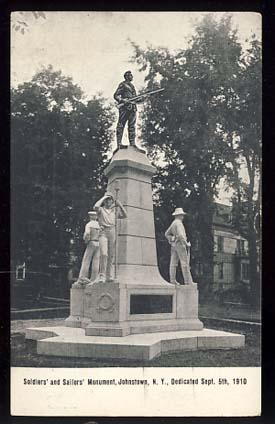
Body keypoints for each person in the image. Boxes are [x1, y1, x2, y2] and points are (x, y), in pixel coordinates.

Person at [94, 191, 127, 282]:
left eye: (110, 200)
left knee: (111, 255)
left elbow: (125, 215)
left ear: (112, 201)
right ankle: (102, 276)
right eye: (107, 200)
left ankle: (109, 276)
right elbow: (95, 207)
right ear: (104, 201)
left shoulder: (114, 211)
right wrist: (104, 197)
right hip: (103, 232)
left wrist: (120, 205)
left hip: (112, 231)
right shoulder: (101, 210)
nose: (108, 202)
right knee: (104, 254)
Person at [165, 208, 195, 286]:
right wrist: (186, 244)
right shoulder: (178, 223)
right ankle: (188, 282)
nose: (183, 216)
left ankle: (172, 280)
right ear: (179, 215)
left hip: (174, 245)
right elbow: (181, 235)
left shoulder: (173, 223)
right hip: (181, 245)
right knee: (184, 263)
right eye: (182, 215)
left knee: (173, 263)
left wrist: (172, 239)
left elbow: (166, 234)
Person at [113, 70, 142, 150]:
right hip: (125, 107)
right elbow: (116, 95)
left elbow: (135, 99)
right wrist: (123, 100)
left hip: (132, 108)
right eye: (130, 76)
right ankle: (119, 144)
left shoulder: (132, 86)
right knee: (121, 125)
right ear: (127, 76)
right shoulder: (123, 85)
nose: (132, 77)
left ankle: (132, 144)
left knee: (132, 126)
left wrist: (142, 98)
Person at [77, 211, 100, 284]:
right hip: (98, 243)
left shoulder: (89, 224)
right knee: (96, 261)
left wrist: (86, 240)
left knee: (86, 259)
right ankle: (94, 278)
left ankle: (82, 277)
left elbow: (87, 233)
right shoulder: (99, 225)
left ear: (90, 217)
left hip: (91, 242)